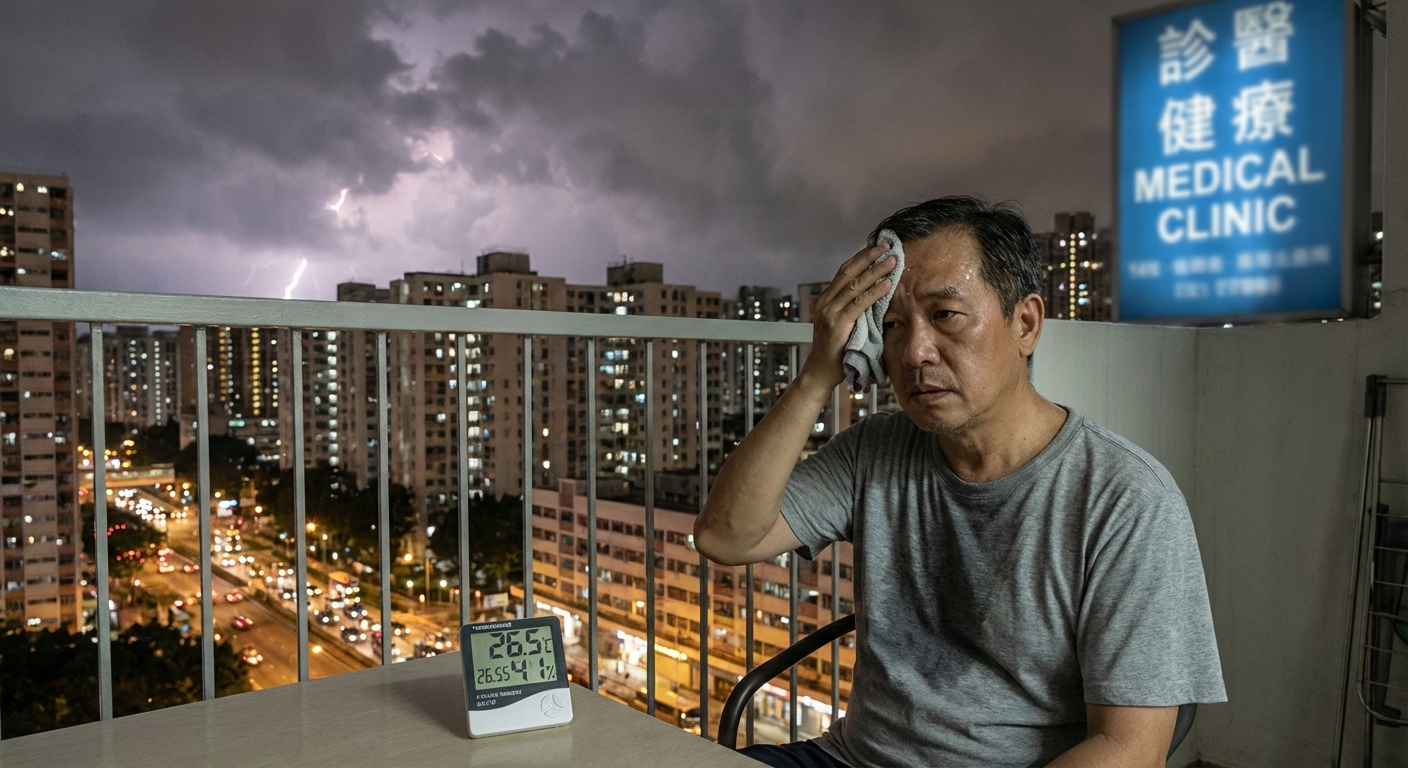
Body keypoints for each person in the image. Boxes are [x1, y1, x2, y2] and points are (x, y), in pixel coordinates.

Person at [694, 197, 1225, 767]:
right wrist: (817, 376)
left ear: (1025, 324)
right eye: (891, 326)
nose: (914, 352)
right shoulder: (876, 450)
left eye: (945, 315)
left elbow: (1130, 748)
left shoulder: (1126, 499)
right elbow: (727, 537)